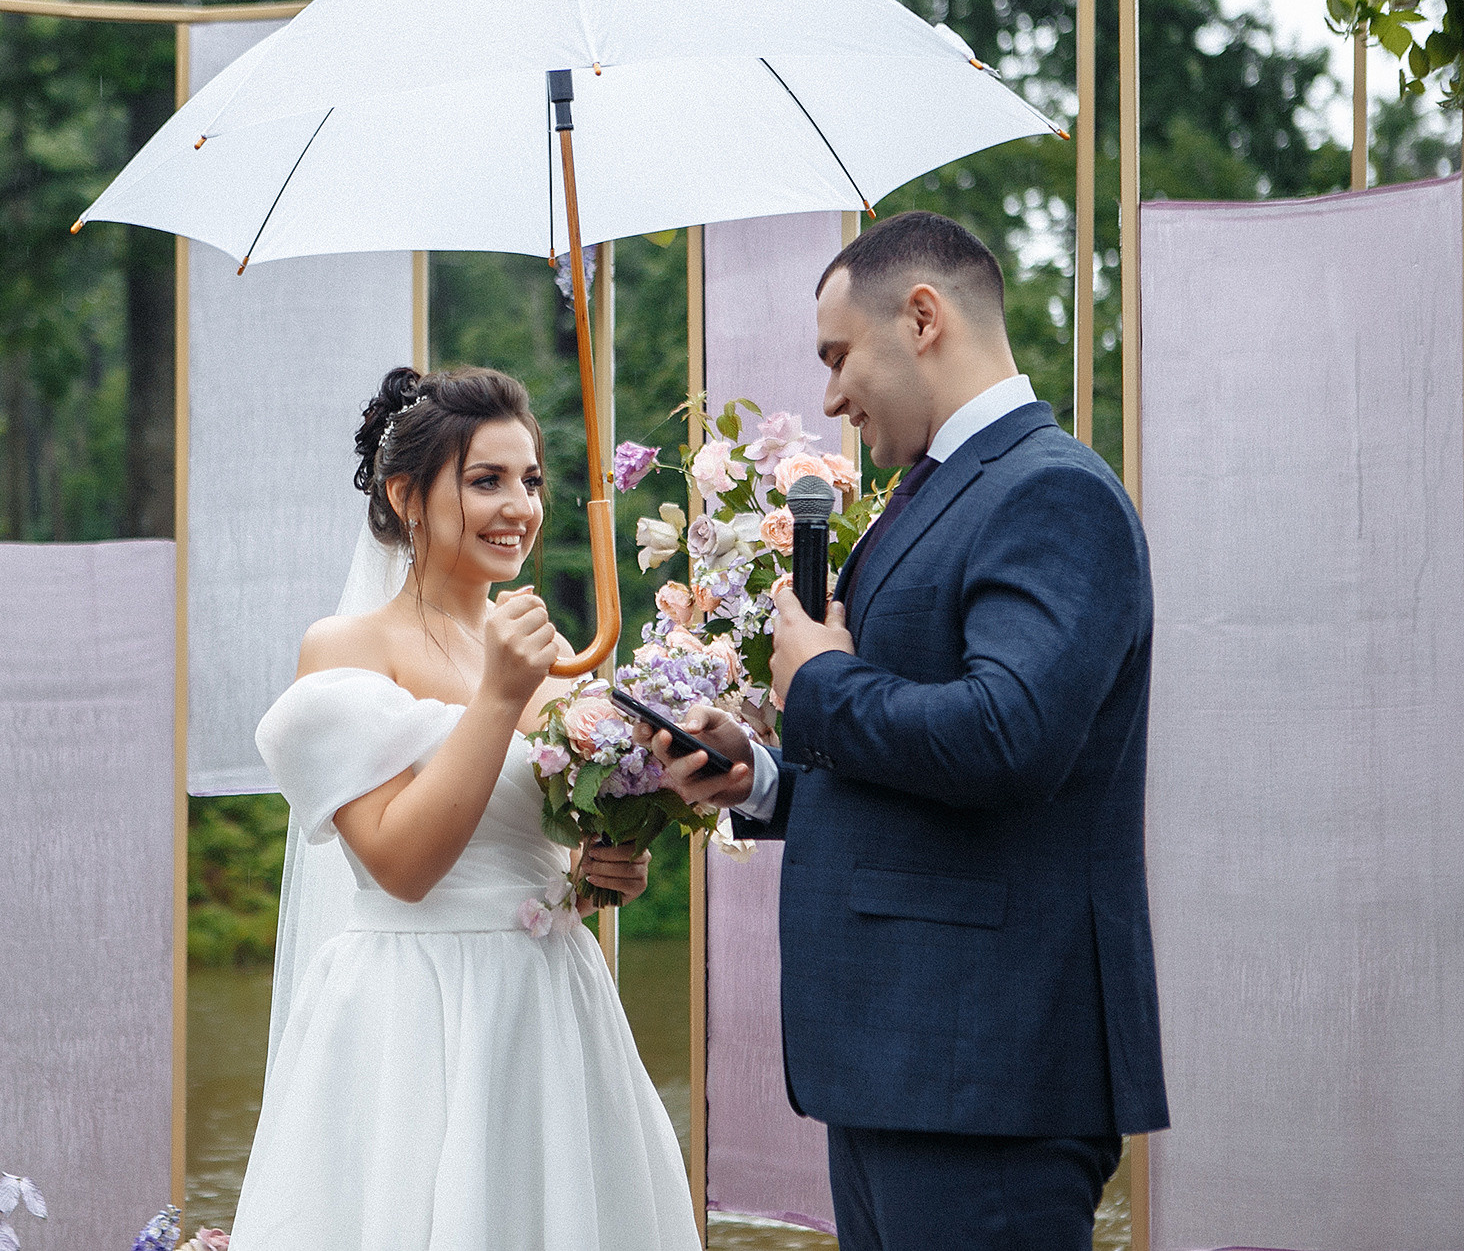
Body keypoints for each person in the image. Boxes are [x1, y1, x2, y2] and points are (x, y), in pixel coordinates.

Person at [646, 211, 1169, 1251]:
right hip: (900, 1067)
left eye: (837, 355)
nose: (830, 393)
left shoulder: (1051, 490)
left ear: (921, 317)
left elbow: (1008, 733)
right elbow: (916, 771)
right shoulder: (934, 491)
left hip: (986, 1070)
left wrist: (823, 685)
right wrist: (762, 778)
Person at [234, 365, 700, 1251]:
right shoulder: (348, 650)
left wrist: (605, 869)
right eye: (485, 481)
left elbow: (542, 850)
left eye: (529, 479)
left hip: (548, 1010)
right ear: (408, 496)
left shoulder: (550, 652)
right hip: (416, 1014)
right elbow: (402, 867)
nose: (517, 505)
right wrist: (498, 696)